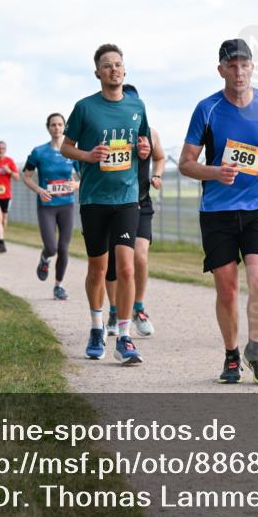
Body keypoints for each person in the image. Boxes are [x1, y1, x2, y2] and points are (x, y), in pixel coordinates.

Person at [178, 38, 258, 385]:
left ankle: (255, 348)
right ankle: (231, 356)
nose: (238, 71)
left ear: (252, 67)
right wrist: (215, 172)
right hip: (218, 211)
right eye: (231, 65)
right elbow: (185, 163)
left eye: (244, 64)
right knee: (226, 290)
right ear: (220, 70)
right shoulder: (207, 108)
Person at [61, 44, 151, 365]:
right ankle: (97, 327)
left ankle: (124, 337)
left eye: (118, 64)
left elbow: (144, 144)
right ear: (98, 73)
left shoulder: (137, 106)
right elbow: (66, 147)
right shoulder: (85, 108)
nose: (114, 69)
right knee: (98, 269)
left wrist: (144, 149)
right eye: (107, 65)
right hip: (94, 199)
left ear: (124, 71)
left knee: (126, 267)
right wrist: (89, 156)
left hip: (127, 199)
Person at [104, 97, 165, 337]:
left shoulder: (150, 133)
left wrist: (157, 175)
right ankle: (113, 309)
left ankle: (138, 307)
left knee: (139, 256)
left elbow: (159, 158)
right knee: (112, 263)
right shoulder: (108, 133)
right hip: (111, 204)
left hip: (140, 202)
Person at [23, 113, 80, 301]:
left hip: (66, 205)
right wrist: (39, 190)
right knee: (52, 247)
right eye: (53, 125)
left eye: (60, 124)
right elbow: (27, 176)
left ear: (65, 127)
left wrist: (76, 185)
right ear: (48, 128)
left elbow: (84, 177)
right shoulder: (39, 152)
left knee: (64, 247)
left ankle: (58, 285)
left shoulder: (72, 152)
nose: (57, 128)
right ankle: (45, 258)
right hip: (47, 205)